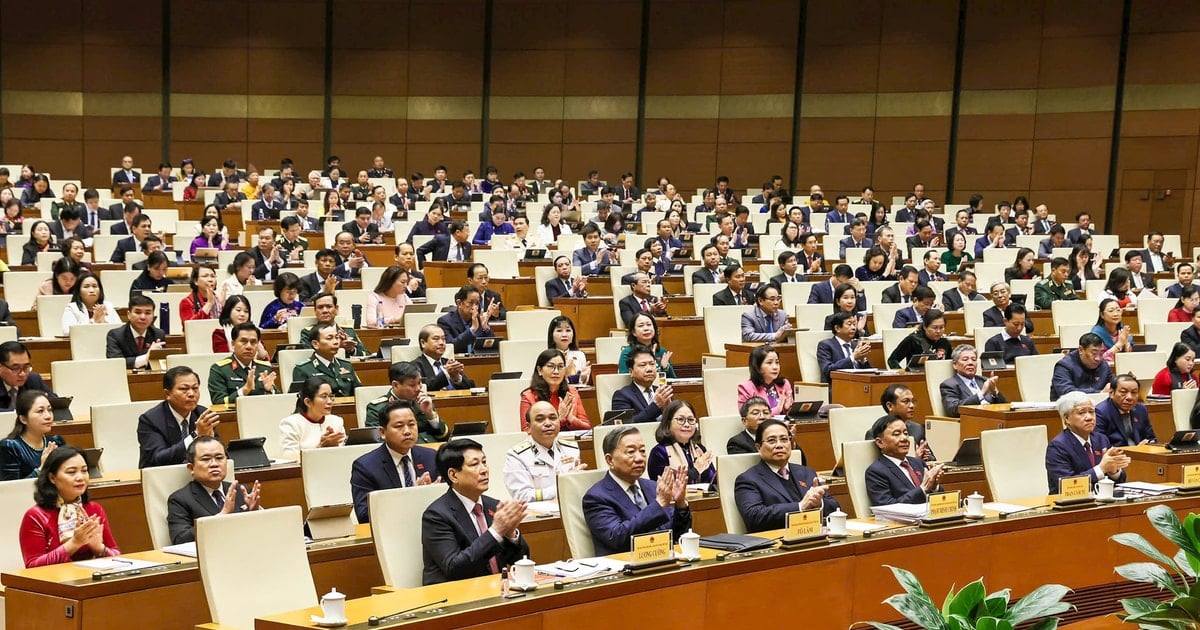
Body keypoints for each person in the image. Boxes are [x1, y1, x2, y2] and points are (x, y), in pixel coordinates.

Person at [421, 439, 530, 585]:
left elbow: (520, 561)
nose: (484, 469)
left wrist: (511, 534)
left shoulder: (493, 506)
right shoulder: (436, 516)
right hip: (456, 597)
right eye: (474, 464)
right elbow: (455, 568)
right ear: (453, 475)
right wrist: (496, 531)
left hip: (498, 590)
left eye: (484, 462)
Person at [582, 425, 692, 556]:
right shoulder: (596, 497)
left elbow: (677, 536)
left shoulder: (653, 487)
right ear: (610, 460)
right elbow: (617, 538)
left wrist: (680, 504)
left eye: (642, 451)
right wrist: (658, 505)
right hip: (624, 569)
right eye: (631, 452)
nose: (639, 458)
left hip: (662, 561)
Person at [20, 446, 120, 567]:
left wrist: (99, 548)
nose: (80, 477)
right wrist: (74, 544)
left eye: (84, 470)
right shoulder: (36, 516)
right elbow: (32, 566)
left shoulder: (94, 509)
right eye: (71, 472)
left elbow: (117, 555)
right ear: (52, 478)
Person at [734, 419, 838, 533]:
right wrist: (800, 507)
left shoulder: (806, 473)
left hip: (812, 535)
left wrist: (819, 503)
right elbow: (754, 517)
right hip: (777, 543)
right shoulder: (748, 480)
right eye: (772, 441)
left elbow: (835, 507)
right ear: (758, 447)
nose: (779, 445)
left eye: (784, 439)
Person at [349, 403, 439, 524]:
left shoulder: (431, 457)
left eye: (412, 424)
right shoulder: (365, 467)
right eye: (399, 426)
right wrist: (412, 497)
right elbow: (364, 515)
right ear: (382, 432)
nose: (407, 431)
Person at [166, 436, 262, 544]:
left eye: (219, 458)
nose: (214, 464)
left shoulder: (241, 491)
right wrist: (221, 517)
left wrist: (255, 514)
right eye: (206, 459)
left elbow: (261, 531)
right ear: (191, 468)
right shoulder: (180, 499)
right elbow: (180, 539)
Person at [1046, 391, 1129, 493]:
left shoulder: (1101, 439)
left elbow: (1119, 480)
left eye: (1091, 411)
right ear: (1067, 418)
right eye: (1081, 413)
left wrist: (1114, 471)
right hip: (1070, 505)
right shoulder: (1058, 446)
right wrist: (1101, 469)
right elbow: (1066, 485)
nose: (1089, 418)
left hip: (1101, 500)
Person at [137, 366, 221, 468]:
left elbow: (222, 454)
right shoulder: (150, 420)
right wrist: (196, 435)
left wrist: (211, 440)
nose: (191, 394)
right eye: (184, 389)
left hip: (198, 476)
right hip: (164, 477)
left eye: (195, 388)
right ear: (167, 394)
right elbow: (158, 459)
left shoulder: (203, 415)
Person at [504, 401, 586, 503]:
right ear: (528, 428)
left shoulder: (571, 449)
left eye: (552, 418)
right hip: (538, 515)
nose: (548, 423)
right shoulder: (516, 456)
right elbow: (522, 496)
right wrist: (564, 484)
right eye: (540, 419)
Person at [865, 415, 944, 507]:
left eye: (906, 433)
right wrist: (923, 489)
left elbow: (941, 502)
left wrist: (934, 487)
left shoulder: (918, 463)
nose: (904, 438)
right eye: (896, 434)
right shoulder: (876, 472)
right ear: (880, 442)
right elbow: (887, 507)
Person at [363, 361, 449, 441]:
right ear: (395, 385)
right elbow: (376, 442)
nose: (418, 388)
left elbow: (444, 436)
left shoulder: (423, 402)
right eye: (412, 385)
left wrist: (430, 415)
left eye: (419, 382)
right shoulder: (377, 408)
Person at [519, 349, 590, 431]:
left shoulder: (571, 392)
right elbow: (527, 431)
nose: (556, 372)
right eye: (551, 366)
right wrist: (559, 418)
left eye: (560, 367)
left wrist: (572, 419)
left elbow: (587, 427)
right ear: (539, 370)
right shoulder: (528, 396)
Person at [647, 400, 715, 484]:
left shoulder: (700, 449)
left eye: (690, 420)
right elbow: (666, 484)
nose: (687, 424)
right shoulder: (659, 452)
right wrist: (696, 470)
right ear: (668, 423)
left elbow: (713, 482)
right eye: (681, 419)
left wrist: (705, 471)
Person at [207, 323, 277, 405]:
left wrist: (270, 391)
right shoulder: (220, 369)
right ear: (233, 344)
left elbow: (279, 400)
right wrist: (244, 390)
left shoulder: (264, 368)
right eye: (244, 342)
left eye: (253, 342)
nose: (249, 346)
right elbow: (218, 402)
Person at [0, 391, 64, 480]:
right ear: (23, 419)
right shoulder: (10, 447)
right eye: (40, 411)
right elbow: (12, 489)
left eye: (49, 410)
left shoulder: (56, 441)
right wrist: (41, 469)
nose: (48, 416)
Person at [279, 376, 346, 458]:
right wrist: (321, 447)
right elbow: (290, 460)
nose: (329, 401)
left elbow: (344, 454)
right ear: (308, 402)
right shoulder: (291, 424)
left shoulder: (336, 421)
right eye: (324, 396)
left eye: (331, 396)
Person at [291, 322, 362, 398]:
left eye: (337, 337)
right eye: (329, 338)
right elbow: (301, 401)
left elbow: (359, 393)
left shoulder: (346, 365)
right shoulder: (303, 369)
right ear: (315, 344)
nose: (335, 342)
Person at [938, 345, 1008, 417]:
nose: (970, 363)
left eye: (974, 359)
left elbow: (1005, 406)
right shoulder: (949, 385)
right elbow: (952, 410)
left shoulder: (984, 380)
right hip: (971, 422)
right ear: (955, 365)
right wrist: (981, 394)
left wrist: (994, 393)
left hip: (993, 418)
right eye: (965, 359)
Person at [611, 345, 675, 424]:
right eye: (642, 365)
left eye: (652, 364)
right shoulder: (622, 395)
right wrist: (656, 405)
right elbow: (625, 424)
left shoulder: (663, 392)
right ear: (631, 372)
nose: (649, 369)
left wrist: (668, 412)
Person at [297, 292, 368, 358]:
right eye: (320, 307)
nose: (324, 311)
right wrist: (338, 347)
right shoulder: (307, 332)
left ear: (336, 309)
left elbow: (366, 355)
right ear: (315, 311)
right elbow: (308, 357)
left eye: (329, 306)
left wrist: (351, 349)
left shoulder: (348, 330)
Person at [1097, 373, 1158, 448]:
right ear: (1111, 393)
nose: (1129, 397)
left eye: (1134, 392)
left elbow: (1151, 438)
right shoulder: (1101, 412)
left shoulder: (1140, 409)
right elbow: (1100, 445)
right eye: (1123, 392)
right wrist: (1134, 450)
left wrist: (1148, 443)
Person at [106, 294, 166, 370]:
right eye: (138, 312)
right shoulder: (115, 335)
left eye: (147, 313)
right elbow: (115, 363)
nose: (143, 317)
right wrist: (146, 357)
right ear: (129, 314)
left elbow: (162, 363)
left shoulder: (158, 334)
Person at [1050, 333, 1114, 400]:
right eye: (1094, 353)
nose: (1098, 358)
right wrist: (1099, 393)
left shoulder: (1103, 365)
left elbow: (1113, 383)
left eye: (1101, 353)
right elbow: (1067, 392)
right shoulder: (1064, 366)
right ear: (1081, 350)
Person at [736, 344, 793, 416]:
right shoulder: (746, 388)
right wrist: (777, 410)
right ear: (758, 366)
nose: (775, 367)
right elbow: (749, 417)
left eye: (777, 362)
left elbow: (789, 415)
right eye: (769, 363)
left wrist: (787, 409)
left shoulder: (784, 384)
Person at [414, 324, 475, 391]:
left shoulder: (450, 364)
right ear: (423, 343)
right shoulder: (415, 366)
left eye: (443, 339)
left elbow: (470, 388)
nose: (441, 343)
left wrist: (457, 378)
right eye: (436, 339)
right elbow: (422, 389)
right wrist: (446, 373)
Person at [437, 285, 496, 354]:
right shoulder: (445, 321)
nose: (475, 307)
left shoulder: (480, 319)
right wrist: (472, 330)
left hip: (478, 362)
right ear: (459, 303)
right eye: (471, 303)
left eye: (477, 303)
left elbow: (492, 347)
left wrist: (486, 328)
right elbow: (450, 347)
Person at [818, 312, 873, 383]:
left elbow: (870, 373)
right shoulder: (825, 345)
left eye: (854, 324)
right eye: (849, 324)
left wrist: (862, 361)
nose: (853, 328)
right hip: (838, 386)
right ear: (837, 328)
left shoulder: (856, 345)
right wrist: (852, 357)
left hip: (859, 385)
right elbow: (827, 370)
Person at [887, 309, 952, 369]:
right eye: (934, 328)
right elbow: (892, 360)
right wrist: (902, 372)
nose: (938, 331)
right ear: (925, 327)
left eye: (941, 327)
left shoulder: (944, 342)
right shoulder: (913, 340)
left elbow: (950, 362)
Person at [0, 342, 55, 410]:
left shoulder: (33, 380)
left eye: (26, 367)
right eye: (16, 368)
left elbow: (55, 403)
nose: (22, 374)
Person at [548, 315, 590, 385]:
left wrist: (583, 377)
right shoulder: (548, 356)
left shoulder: (580, 355)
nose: (564, 334)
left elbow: (582, 383)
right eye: (559, 330)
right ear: (551, 335)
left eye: (568, 330)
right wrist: (564, 373)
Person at [1092, 298, 1132, 365]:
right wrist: (1119, 343)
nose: (1116, 314)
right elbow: (1099, 360)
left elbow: (1128, 357)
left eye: (1118, 310)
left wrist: (1125, 344)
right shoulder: (1096, 335)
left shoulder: (1122, 331)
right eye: (1111, 311)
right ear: (1102, 314)